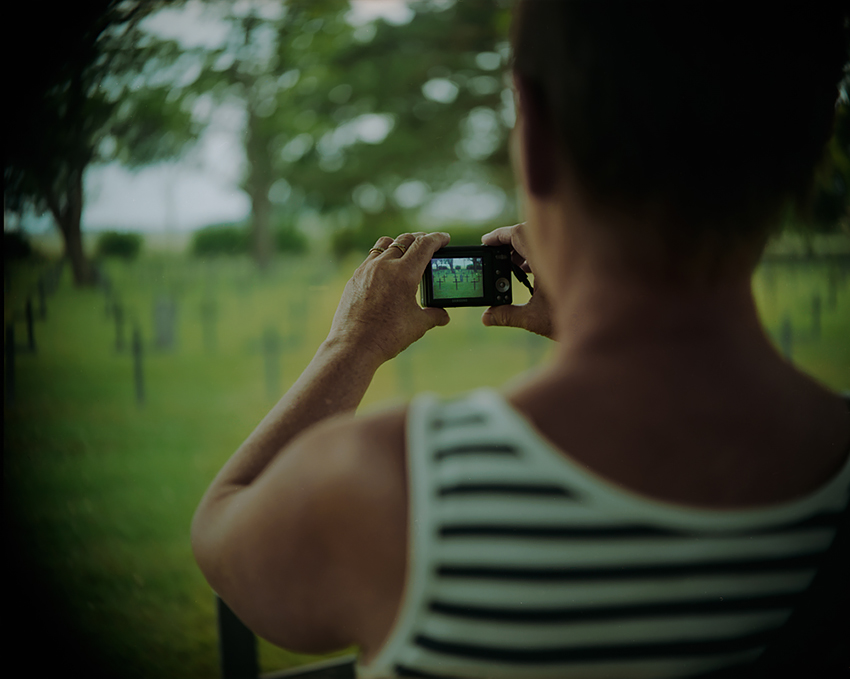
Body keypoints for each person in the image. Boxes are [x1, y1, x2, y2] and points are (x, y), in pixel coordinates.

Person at [192, 1, 850, 677]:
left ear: (534, 137)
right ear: (814, 144)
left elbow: (219, 529)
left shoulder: (395, 488)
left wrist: (351, 345)